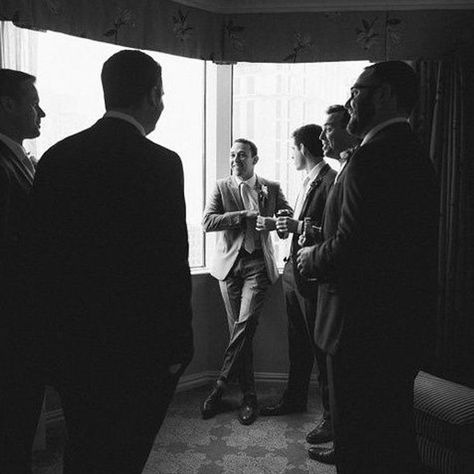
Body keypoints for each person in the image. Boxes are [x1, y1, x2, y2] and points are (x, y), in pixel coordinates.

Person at [29, 50, 193, 474]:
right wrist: (179, 345)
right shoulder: (162, 163)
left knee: (83, 445)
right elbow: (171, 260)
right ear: (153, 96)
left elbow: (41, 258)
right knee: (126, 451)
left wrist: (47, 341)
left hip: (73, 342)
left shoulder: (56, 157)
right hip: (138, 347)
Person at [297, 61, 438, 473]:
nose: (349, 100)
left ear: (386, 95)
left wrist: (311, 257)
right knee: (392, 438)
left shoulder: (370, 159)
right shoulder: (414, 153)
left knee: (358, 444)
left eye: (357, 91)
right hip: (399, 328)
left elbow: (352, 248)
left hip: (359, 330)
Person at [201, 138, 292, 425]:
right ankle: (249, 396)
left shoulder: (271, 188)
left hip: (258, 266)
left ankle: (220, 385)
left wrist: (280, 220)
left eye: (241, 155)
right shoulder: (221, 187)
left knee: (245, 325)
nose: (235, 160)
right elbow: (208, 222)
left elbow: (286, 216)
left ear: (255, 158)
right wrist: (244, 216)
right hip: (229, 267)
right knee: (241, 333)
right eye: (232, 156)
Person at [260, 125, 336, 443]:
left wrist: (298, 225)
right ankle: (294, 399)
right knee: (298, 344)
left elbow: (335, 230)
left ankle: (332, 420)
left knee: (321, 351)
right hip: (293, 272)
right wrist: (286, 226)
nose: (291, 155)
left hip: (313, 279)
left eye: (292, 149)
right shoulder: (307, 181)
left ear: (303, 148)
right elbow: (303, 226)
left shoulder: (331, 180)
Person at [0, 68, 45, 474]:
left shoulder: (22, 160)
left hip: (24, 322)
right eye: (33, 104)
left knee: (20, 423)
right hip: (14, 323)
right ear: (7, 104)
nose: (42, 112)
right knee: (12, 424)